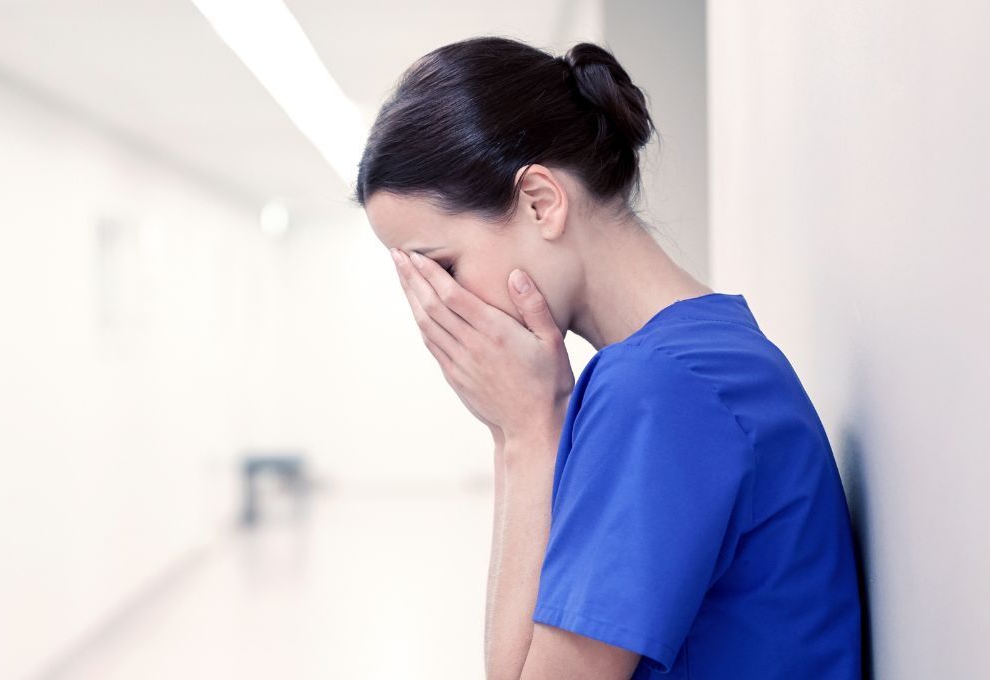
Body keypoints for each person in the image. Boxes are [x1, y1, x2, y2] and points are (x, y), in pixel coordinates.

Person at [352, 35, 862, 680]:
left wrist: (526, 433)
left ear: (540, 202)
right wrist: (515, 430)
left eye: (442, 268)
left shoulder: (659, 389)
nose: (437, 306)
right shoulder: (700, 353)